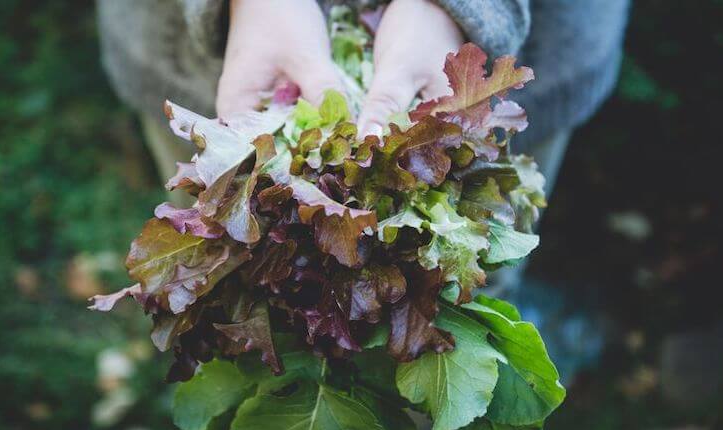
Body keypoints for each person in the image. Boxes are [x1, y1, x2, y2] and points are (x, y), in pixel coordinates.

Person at [98, 0, 629, 379]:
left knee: (464, 289)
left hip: (472, 74)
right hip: (229, 62)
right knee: (237, 281)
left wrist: (455, 7)